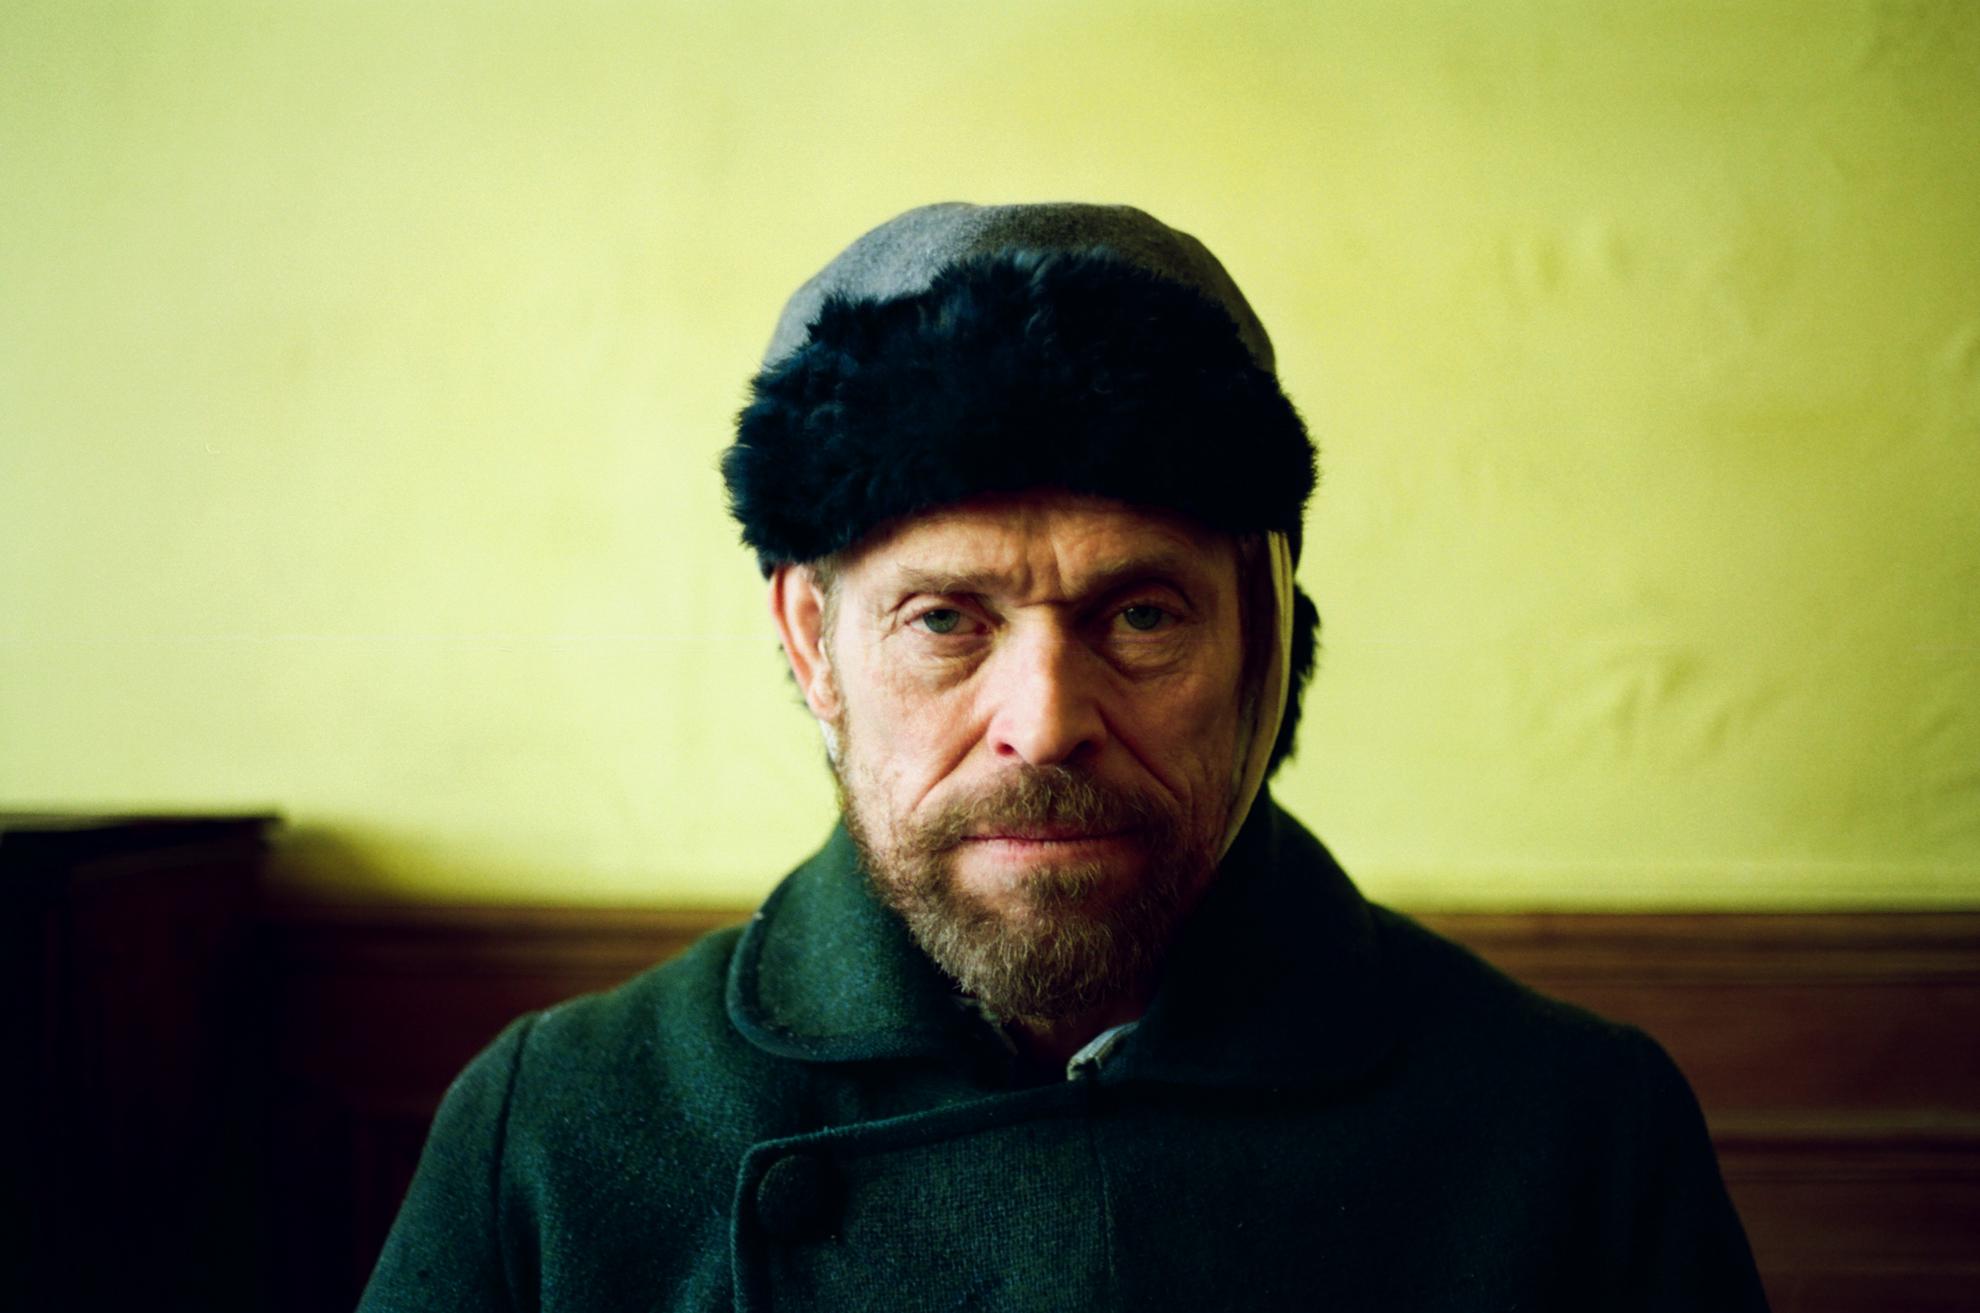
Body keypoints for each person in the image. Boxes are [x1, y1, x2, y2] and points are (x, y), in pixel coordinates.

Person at [360, 203, 1769, 1311]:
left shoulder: (1579, 1133)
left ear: (1267, 635)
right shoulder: (552, 1131)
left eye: (1140, 614)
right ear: (810, 642)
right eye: (945, 619)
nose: (1045, 719)